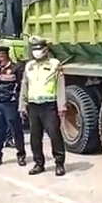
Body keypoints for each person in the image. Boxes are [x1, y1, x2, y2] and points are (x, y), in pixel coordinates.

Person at [18, 36, 67, 177]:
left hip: (49, 106)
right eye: (34, 48)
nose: (37, 51)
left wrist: (61, 106)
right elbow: (24, 86)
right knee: (35, 137)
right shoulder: (29, 66)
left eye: (39, 48)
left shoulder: (54, 64)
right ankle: (39, 163)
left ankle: (59, 163)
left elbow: (60, 86)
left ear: (46, 49)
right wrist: (22, 105)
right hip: (34, 106)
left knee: (54, 135)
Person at [0, 45, 27, 167]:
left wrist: (21, 104)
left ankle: (21, 155)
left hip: (11, 104)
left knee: (16, 130)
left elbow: (21, 88)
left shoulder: (16, 68)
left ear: (4, 55)